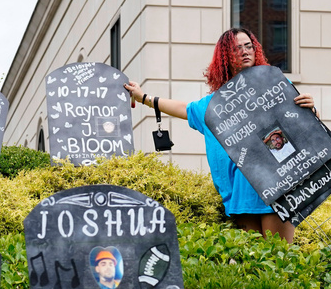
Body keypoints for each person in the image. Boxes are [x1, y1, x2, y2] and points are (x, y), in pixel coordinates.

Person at [124, 28, 317, 245]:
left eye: (248, 46)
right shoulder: (215, 106)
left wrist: (312, 109)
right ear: (225, 56)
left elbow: (305, 128)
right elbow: (183, 108)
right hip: (241, 196)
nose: (245, 52)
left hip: (279, 187)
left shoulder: (276, 87)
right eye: (237, 48)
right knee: (255, 267)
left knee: (281, 261)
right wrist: (143, 97)